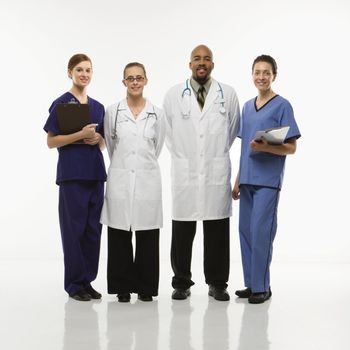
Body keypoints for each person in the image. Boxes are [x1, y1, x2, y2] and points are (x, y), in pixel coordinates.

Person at [163, 45, 240, 301]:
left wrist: (211, 156)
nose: (202, 62)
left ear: (213, 65)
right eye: (197, 58)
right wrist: (188, 158)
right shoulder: (174, 95)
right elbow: (169, 134)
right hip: (186, 171)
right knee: (182, 231)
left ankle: (218, 283)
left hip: (214, 170)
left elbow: (231, 131)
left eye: (207, 59)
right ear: (190, 64)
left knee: (217, 230)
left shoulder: (227, 94)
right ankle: (181, 282)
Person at [232, 54, 301, 304]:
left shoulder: (282, 105)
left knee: (261, 232)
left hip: (268, 181)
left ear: (274, 76)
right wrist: (238, 179)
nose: (261, 77)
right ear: (252, 75)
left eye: (266, 73)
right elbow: (244, 149)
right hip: (248, 179)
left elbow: (291, 147)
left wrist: (267, 148)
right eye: (257, 72)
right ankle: (251, 284)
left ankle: (263, 287)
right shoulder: (247, 106)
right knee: (246, 231)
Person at [101, 62, 165, 303]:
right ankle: (122, 287)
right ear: (124, 82)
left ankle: (146, 287)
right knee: (119, 233)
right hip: (120, 178)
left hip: (147, 178)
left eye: (139, 77)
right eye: (130, 78)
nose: (135, 82)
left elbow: (156, 147)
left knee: (147, 234)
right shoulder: (113, 112)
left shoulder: (157, 113)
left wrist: (140, 166)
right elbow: (111, 144)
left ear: (146, 81)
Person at [44, 53, 106, 301]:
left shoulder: (98, 107)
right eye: (79, 70)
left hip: (95, 175)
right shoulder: (61, 104)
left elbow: (101, 144)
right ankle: (73, 284)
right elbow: (51, 141)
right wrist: (78, 136)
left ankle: (87, 281)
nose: (84, 74)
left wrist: (97, 139)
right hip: (72, 176)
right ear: (69, 72)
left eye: (88, 70)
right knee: (74, 230)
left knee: (93, 230)